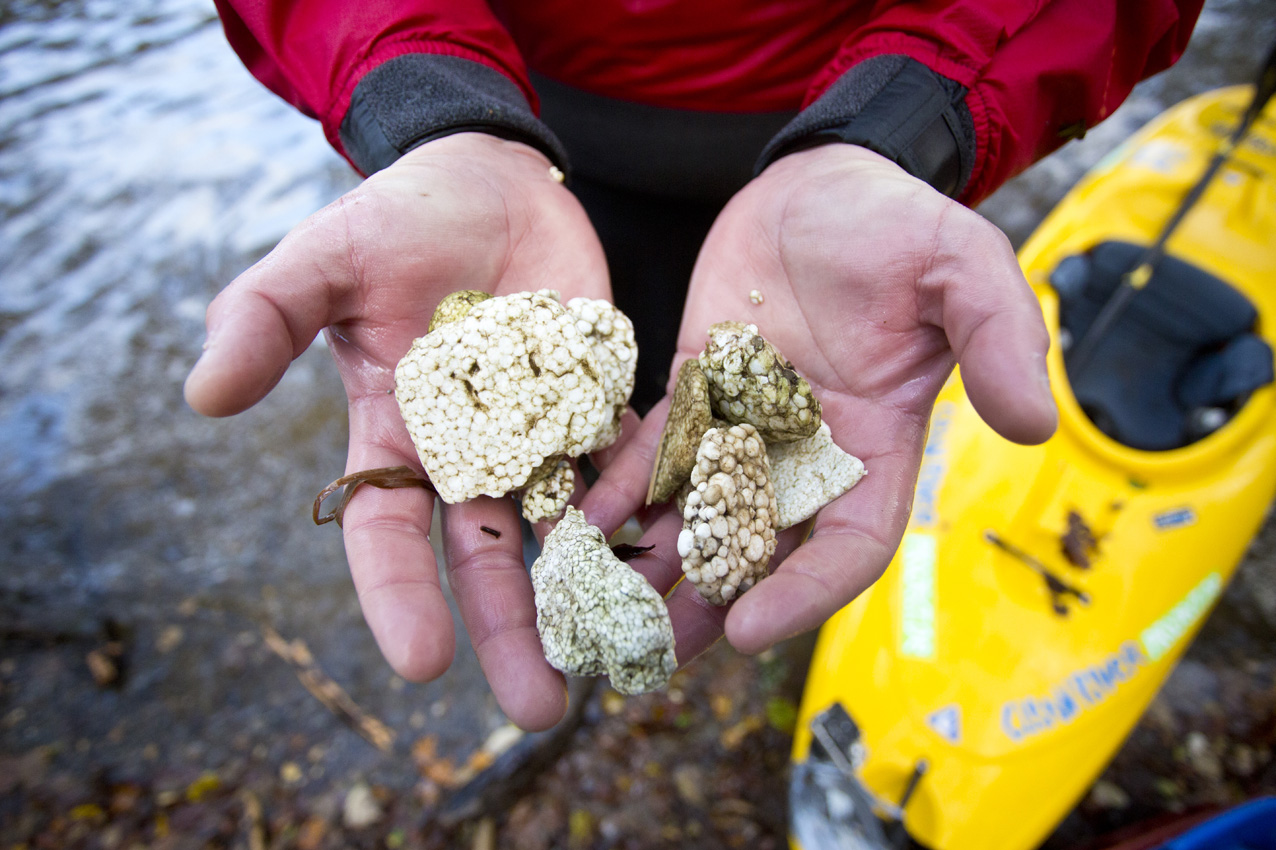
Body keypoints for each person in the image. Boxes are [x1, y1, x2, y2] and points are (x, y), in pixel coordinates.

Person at [185, 0, 1204, 731]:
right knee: (594, 457)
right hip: (521, 128)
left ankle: (621, 573)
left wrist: (914, 114)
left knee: (672, 422)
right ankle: (581, 565)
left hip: (855, 113)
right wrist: (424, 97)